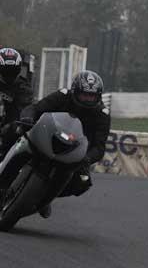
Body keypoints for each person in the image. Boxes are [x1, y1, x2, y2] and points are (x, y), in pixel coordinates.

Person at [4, 70, 110, 218]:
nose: (87, 99)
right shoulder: (63, 95)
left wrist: (87, 158)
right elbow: (36, 108)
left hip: (74, 152)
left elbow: (100, 147)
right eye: (84, 94)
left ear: (98, 97)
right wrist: (28, 118)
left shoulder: (102, 114)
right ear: (74, 91)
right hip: (47, 135)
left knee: (83, 183)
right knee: (14, 129)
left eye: (91, 96)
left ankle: (45, 198)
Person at [0, 48, 33, 154]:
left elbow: (24, 111)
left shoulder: (23, 88)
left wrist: (10, 126)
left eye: (12, 71)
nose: (9, 75)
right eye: (6, 70)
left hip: (10, 128)